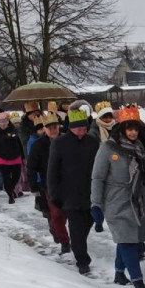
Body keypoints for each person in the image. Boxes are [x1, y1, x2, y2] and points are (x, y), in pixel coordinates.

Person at [91, 106, 145, 288]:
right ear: (122, 129)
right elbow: (97, 177)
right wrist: (96, 204)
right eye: (129, 128)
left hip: (138, 200)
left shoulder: (140, 148)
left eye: (136, 128)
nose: (133, 132)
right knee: (127, 240)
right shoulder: (108, 148)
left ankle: (119, 273)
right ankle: (138, 282)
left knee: (129, 239)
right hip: (116, 201)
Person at [47, 107, 99, 275]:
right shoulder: (60, 143)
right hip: (69, 194)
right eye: (78, 129)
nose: (82, 132)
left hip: (90, 193)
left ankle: (79, 246)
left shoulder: (92, 142)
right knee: (76, 230)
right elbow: (52, 171)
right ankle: (82, 260)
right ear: (70, 128)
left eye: (84, 129)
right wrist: (55, 195)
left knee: (87, 224)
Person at [26, 112, 70, 254]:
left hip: (69, 183)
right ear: (44, 129)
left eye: (55, 126)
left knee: (69, 213)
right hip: (49, 184)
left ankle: (59, 229)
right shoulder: (38, 146)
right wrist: (33, 186)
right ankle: (64, 240)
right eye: (49, 127)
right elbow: (31, 167)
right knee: (56, 214)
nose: (53, 130)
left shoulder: (67, 140)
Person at [0, 111, 24, 204]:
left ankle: (10, 189)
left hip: (15, 156)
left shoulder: (13, 130)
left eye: (5, 122)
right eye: (1, 122)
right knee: (6, 177)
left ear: (8, 122)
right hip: (2, 158)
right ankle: (10, 195)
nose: (3, 125)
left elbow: (19, 143)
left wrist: (22, 155)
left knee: (16, 175)